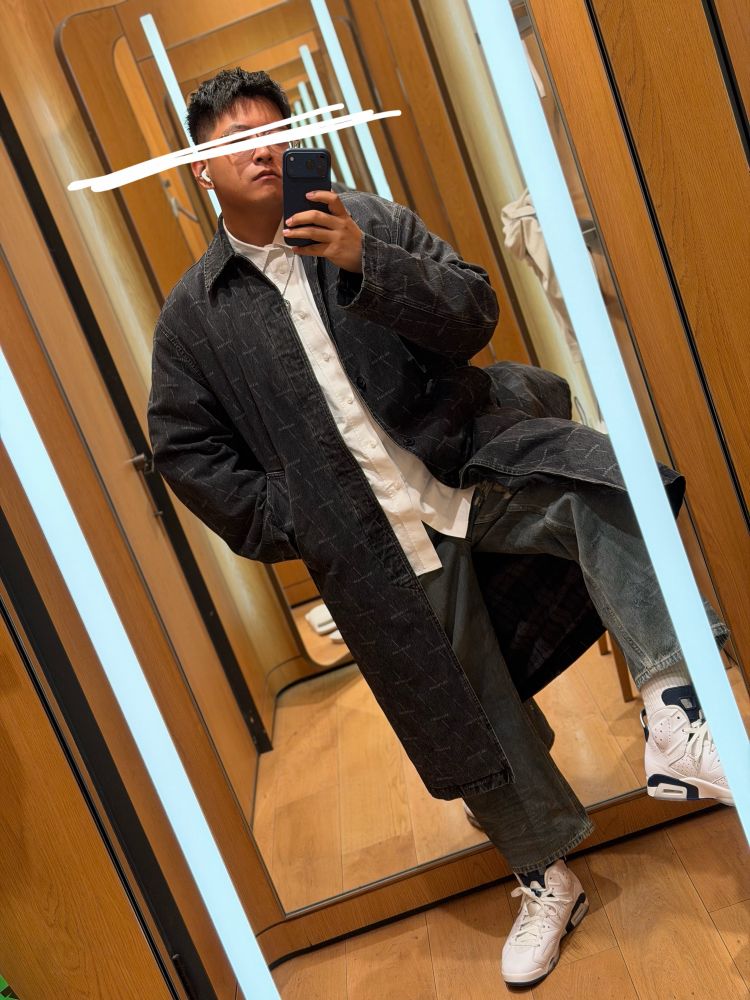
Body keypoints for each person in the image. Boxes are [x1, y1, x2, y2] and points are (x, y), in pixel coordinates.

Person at [148, 69, 733, 988]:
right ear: (199, 170)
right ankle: (546, 878)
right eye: (234, 141)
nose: (262, 150)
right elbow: (186, 451)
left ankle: (674, 716)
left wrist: (363, 262)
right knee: (463, 710)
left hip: (469, 465)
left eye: (275, 130)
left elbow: (472, 311)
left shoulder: (367, 219)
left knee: (604, 479)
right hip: (367, 545)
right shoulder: (194, 316)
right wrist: (295, 521)